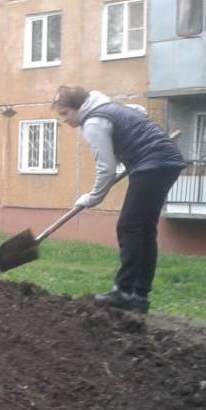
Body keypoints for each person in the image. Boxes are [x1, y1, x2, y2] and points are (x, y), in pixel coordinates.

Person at [53, 85, 186, 313]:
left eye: (65, 113)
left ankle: (123, 292)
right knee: (144, 231)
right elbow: (140, 112)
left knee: (130, 227)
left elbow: (106, 169)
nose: (64, 120)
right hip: (166, 163)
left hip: (152, 165)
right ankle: (139, 296)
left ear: (78, 107)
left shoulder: (93, 122)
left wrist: (92, 198)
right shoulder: (113, 109)